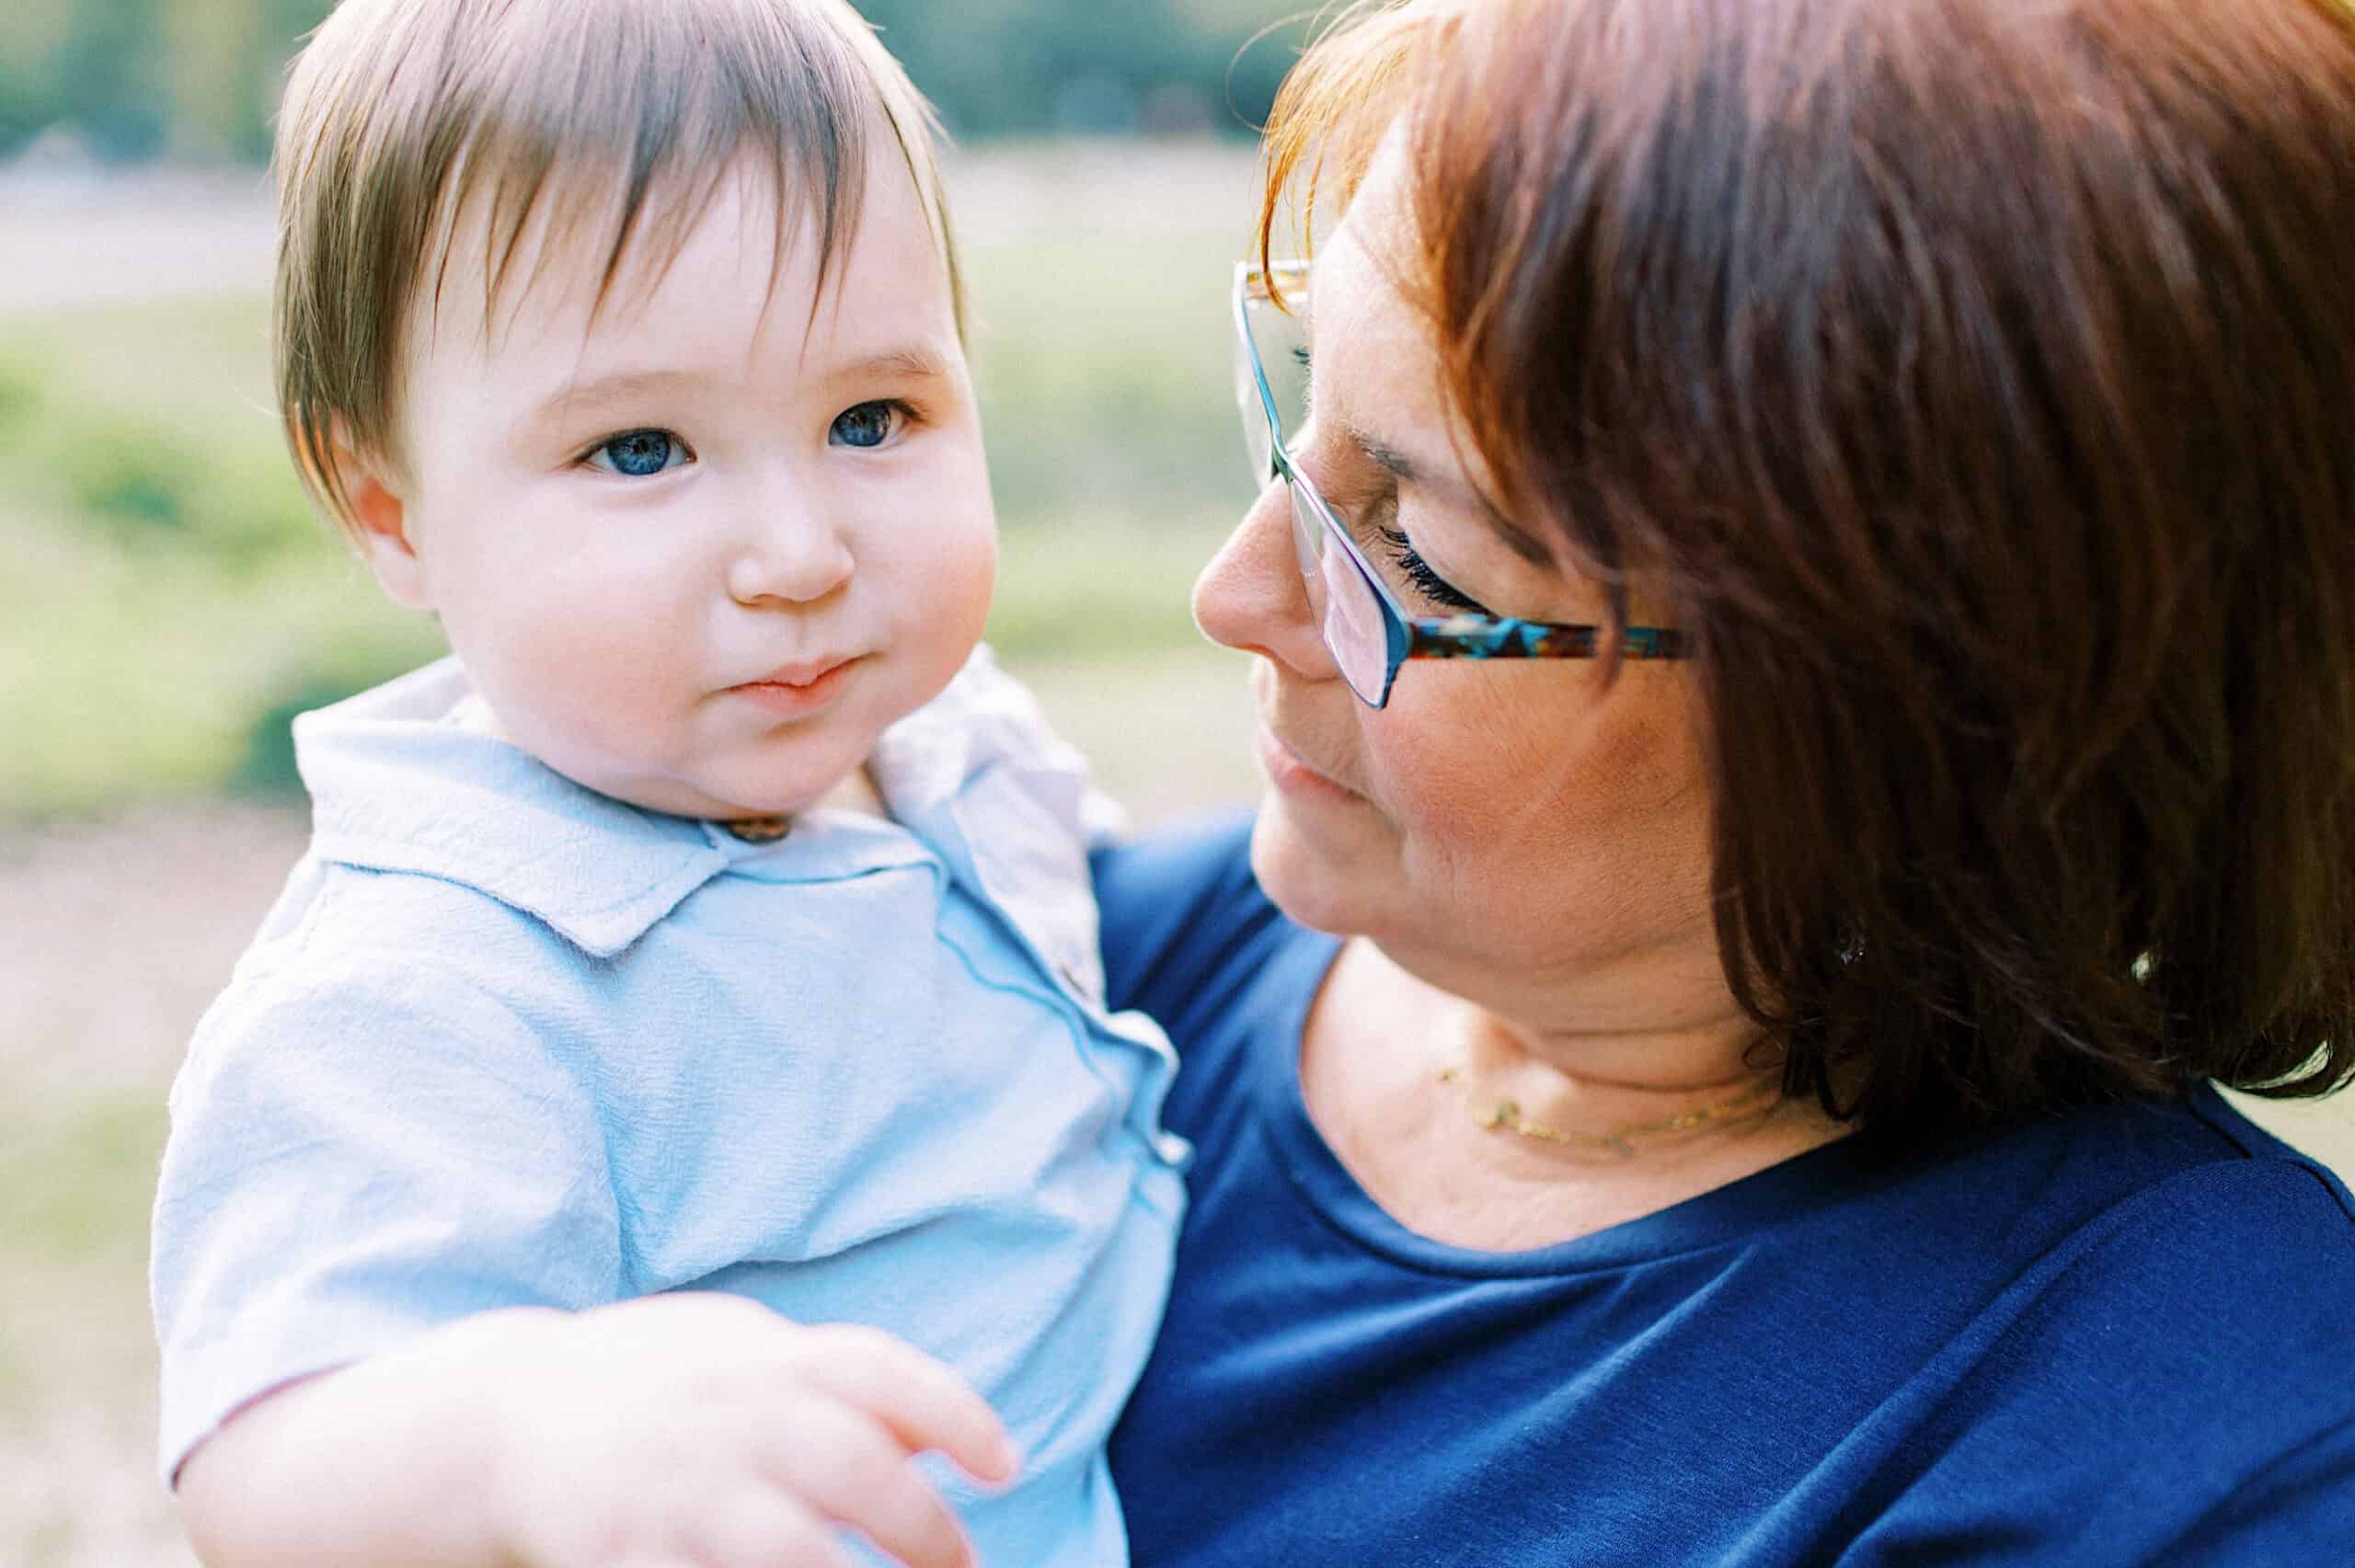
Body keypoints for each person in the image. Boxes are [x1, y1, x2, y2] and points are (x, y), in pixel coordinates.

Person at [1095, 0, 2355, 1561]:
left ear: (1928, 729)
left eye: (1420, 553)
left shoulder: (2189, 1442)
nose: (1239, 596)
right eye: (1300, 421)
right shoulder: (1065, 970)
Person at [146, 2, 1187, 1565]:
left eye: (870, 419)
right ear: (393, 510)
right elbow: (263, 1452)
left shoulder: (939, 740)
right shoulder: (439, 989)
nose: (799, 554)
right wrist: (529, 1431)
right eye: (641, 450)